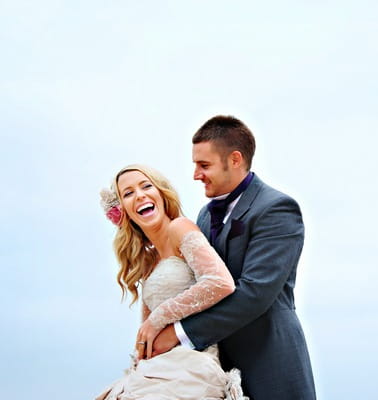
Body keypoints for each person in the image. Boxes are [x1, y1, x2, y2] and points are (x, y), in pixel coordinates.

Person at [150, 115, 317, 400]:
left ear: (235, 159)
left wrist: (179, 334)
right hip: (215, 370)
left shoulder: (277, 208)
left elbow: (256, 292)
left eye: (204, 165)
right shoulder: (204, 214)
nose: (195, 174)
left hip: (269, 363)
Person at [96, 164, 246, 400]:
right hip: (156, 368)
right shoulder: (147, 261)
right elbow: (146, 332)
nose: (140, 195)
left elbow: (220, 282)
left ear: (161, 193)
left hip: (190, 364)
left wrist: (159, 318)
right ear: (123, 210)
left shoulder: (180, 228)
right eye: (128, 193)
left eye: (146, 186)